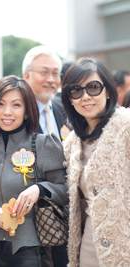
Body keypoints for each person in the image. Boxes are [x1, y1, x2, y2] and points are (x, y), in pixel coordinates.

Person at [0, 75, 68, 267]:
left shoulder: (43, 145)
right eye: (0, 104)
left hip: (32, 252)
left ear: (26, 111)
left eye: (16, 105)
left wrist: (40, 189)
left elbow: (66, 190)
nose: (7, 112)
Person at [61, 57, 130, 266]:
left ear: (108, 90)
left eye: (93, 87)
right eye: (76, 90)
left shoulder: (126, 128)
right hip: (88, 247)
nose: (85, 97)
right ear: (69, 99)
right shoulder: (72, 143)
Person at [23, 46, 70, 144]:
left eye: (55, 73)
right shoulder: (16, 114)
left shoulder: (66, 109)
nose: (51, 80)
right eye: (44, 72)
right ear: (27, 77)